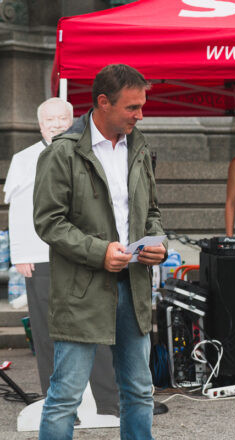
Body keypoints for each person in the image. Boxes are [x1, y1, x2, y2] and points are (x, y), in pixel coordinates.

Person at [33, 64, 167, 440]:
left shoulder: (138, 146)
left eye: (142, 106)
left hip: (134, 284)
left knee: (140, 392)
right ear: (102, 103)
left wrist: (157, 241)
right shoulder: (61, 153)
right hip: (83, 290)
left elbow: (152, 212)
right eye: (132, 107)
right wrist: (99, 252)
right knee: (64, 398)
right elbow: (48, 222)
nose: (141, 115)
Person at [4, 97, 121, 417]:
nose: (55, 124)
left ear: (72, 121)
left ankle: (109, 403)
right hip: (39, 256)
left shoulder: (91, 152)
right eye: (48, 120)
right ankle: (56, 402)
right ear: (39, 125)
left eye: (61, 118)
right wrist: (19, 254)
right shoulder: (24, 158)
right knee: (46, 333)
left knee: (95, 328)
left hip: (86, 254)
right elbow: (18, 211)